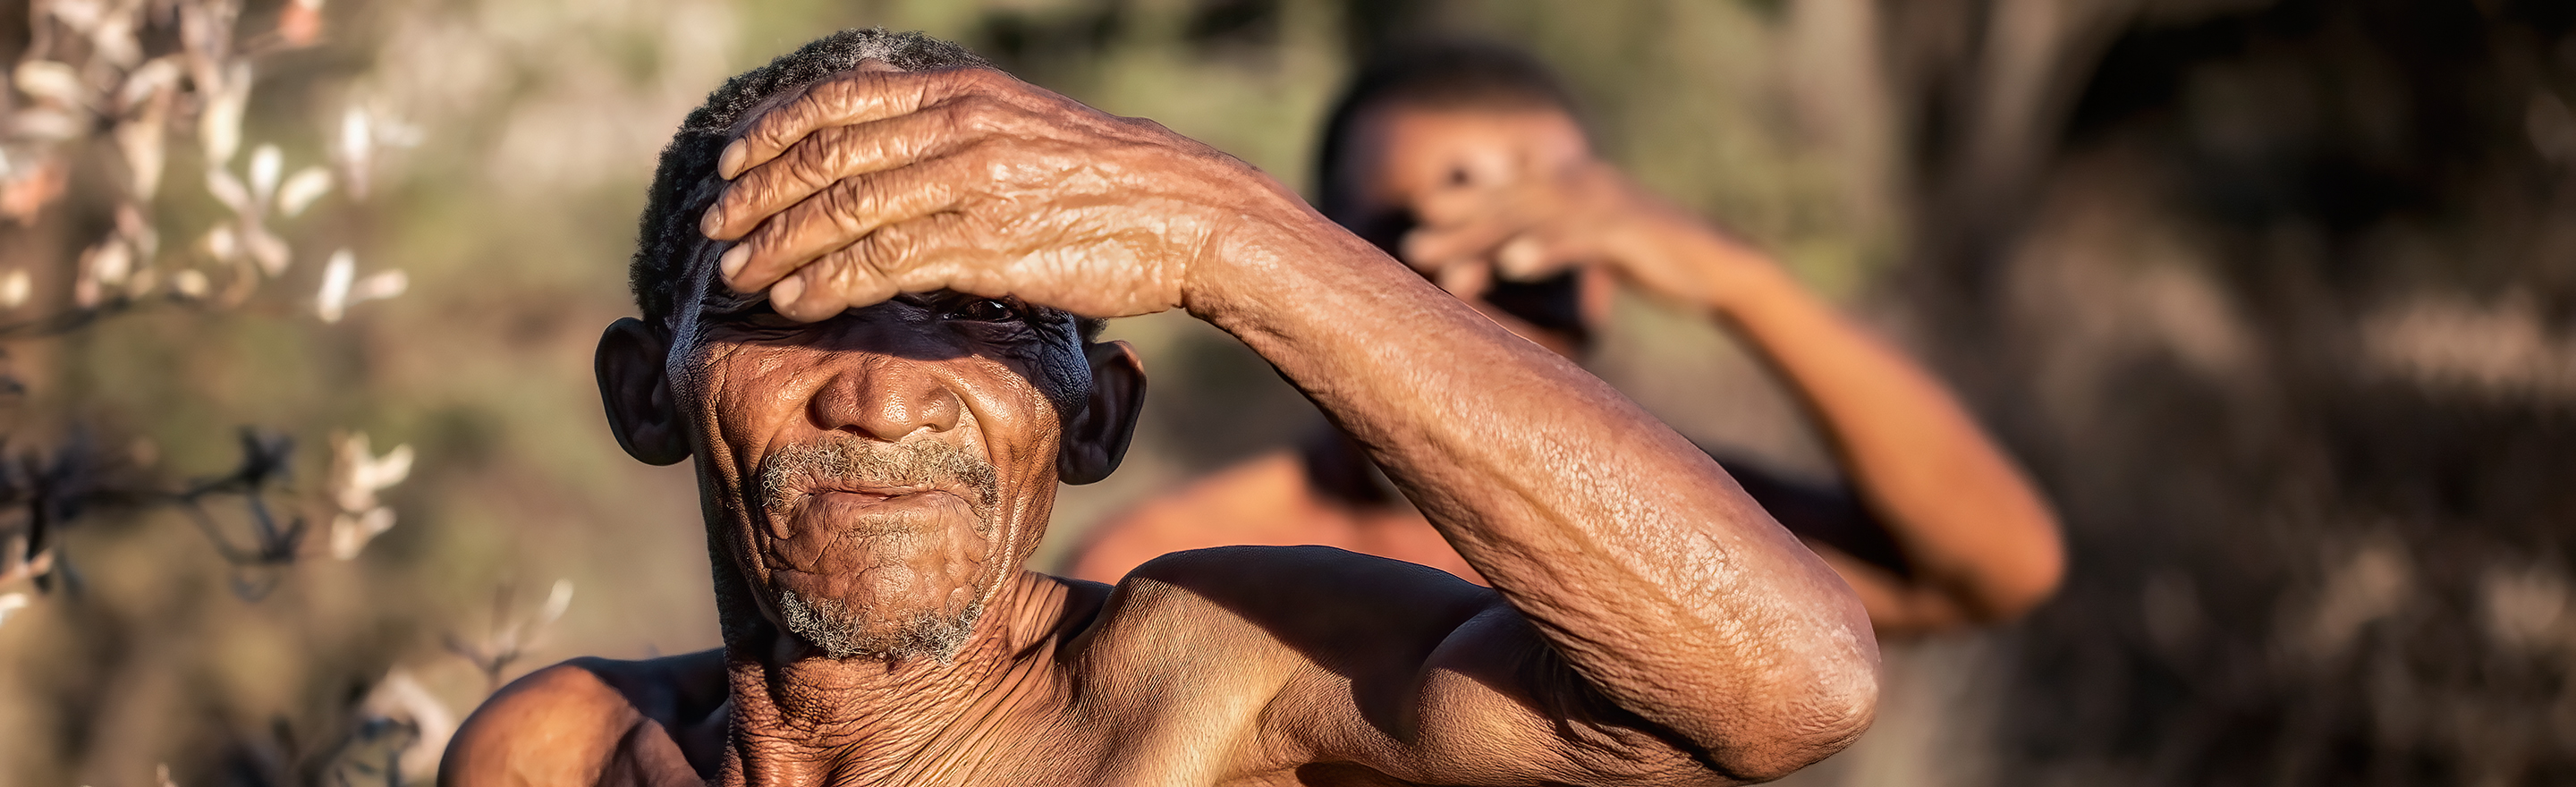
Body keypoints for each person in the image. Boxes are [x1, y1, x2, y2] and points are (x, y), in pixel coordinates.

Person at [440, 29, 1877, 787]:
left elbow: (1791, 689)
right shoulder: (554, 754)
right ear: (649, 393)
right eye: (785, 309)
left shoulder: (1208, 692)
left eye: (979, 317)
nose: (882, 393)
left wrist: (1229, 238)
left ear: (1097, 419)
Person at [1067, 43, 2063, 637]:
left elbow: (1991, 570)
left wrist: (1738, 281)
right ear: (1327, 263)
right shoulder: (1180, 561)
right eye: (1416, 246)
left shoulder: (1686, 532)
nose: (1480, 288)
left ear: (1608, 269)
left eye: (1539, 247)